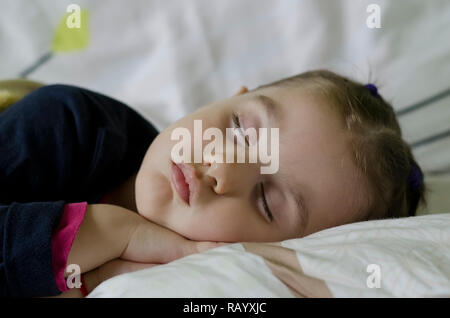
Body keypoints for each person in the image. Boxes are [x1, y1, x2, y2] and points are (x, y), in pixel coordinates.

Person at [0, 70, 426, 297]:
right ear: (227, 96)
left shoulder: (199, 286)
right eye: (241, 129)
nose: (223, 168)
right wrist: (104, 232)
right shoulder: (69, 125)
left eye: (266, 201)